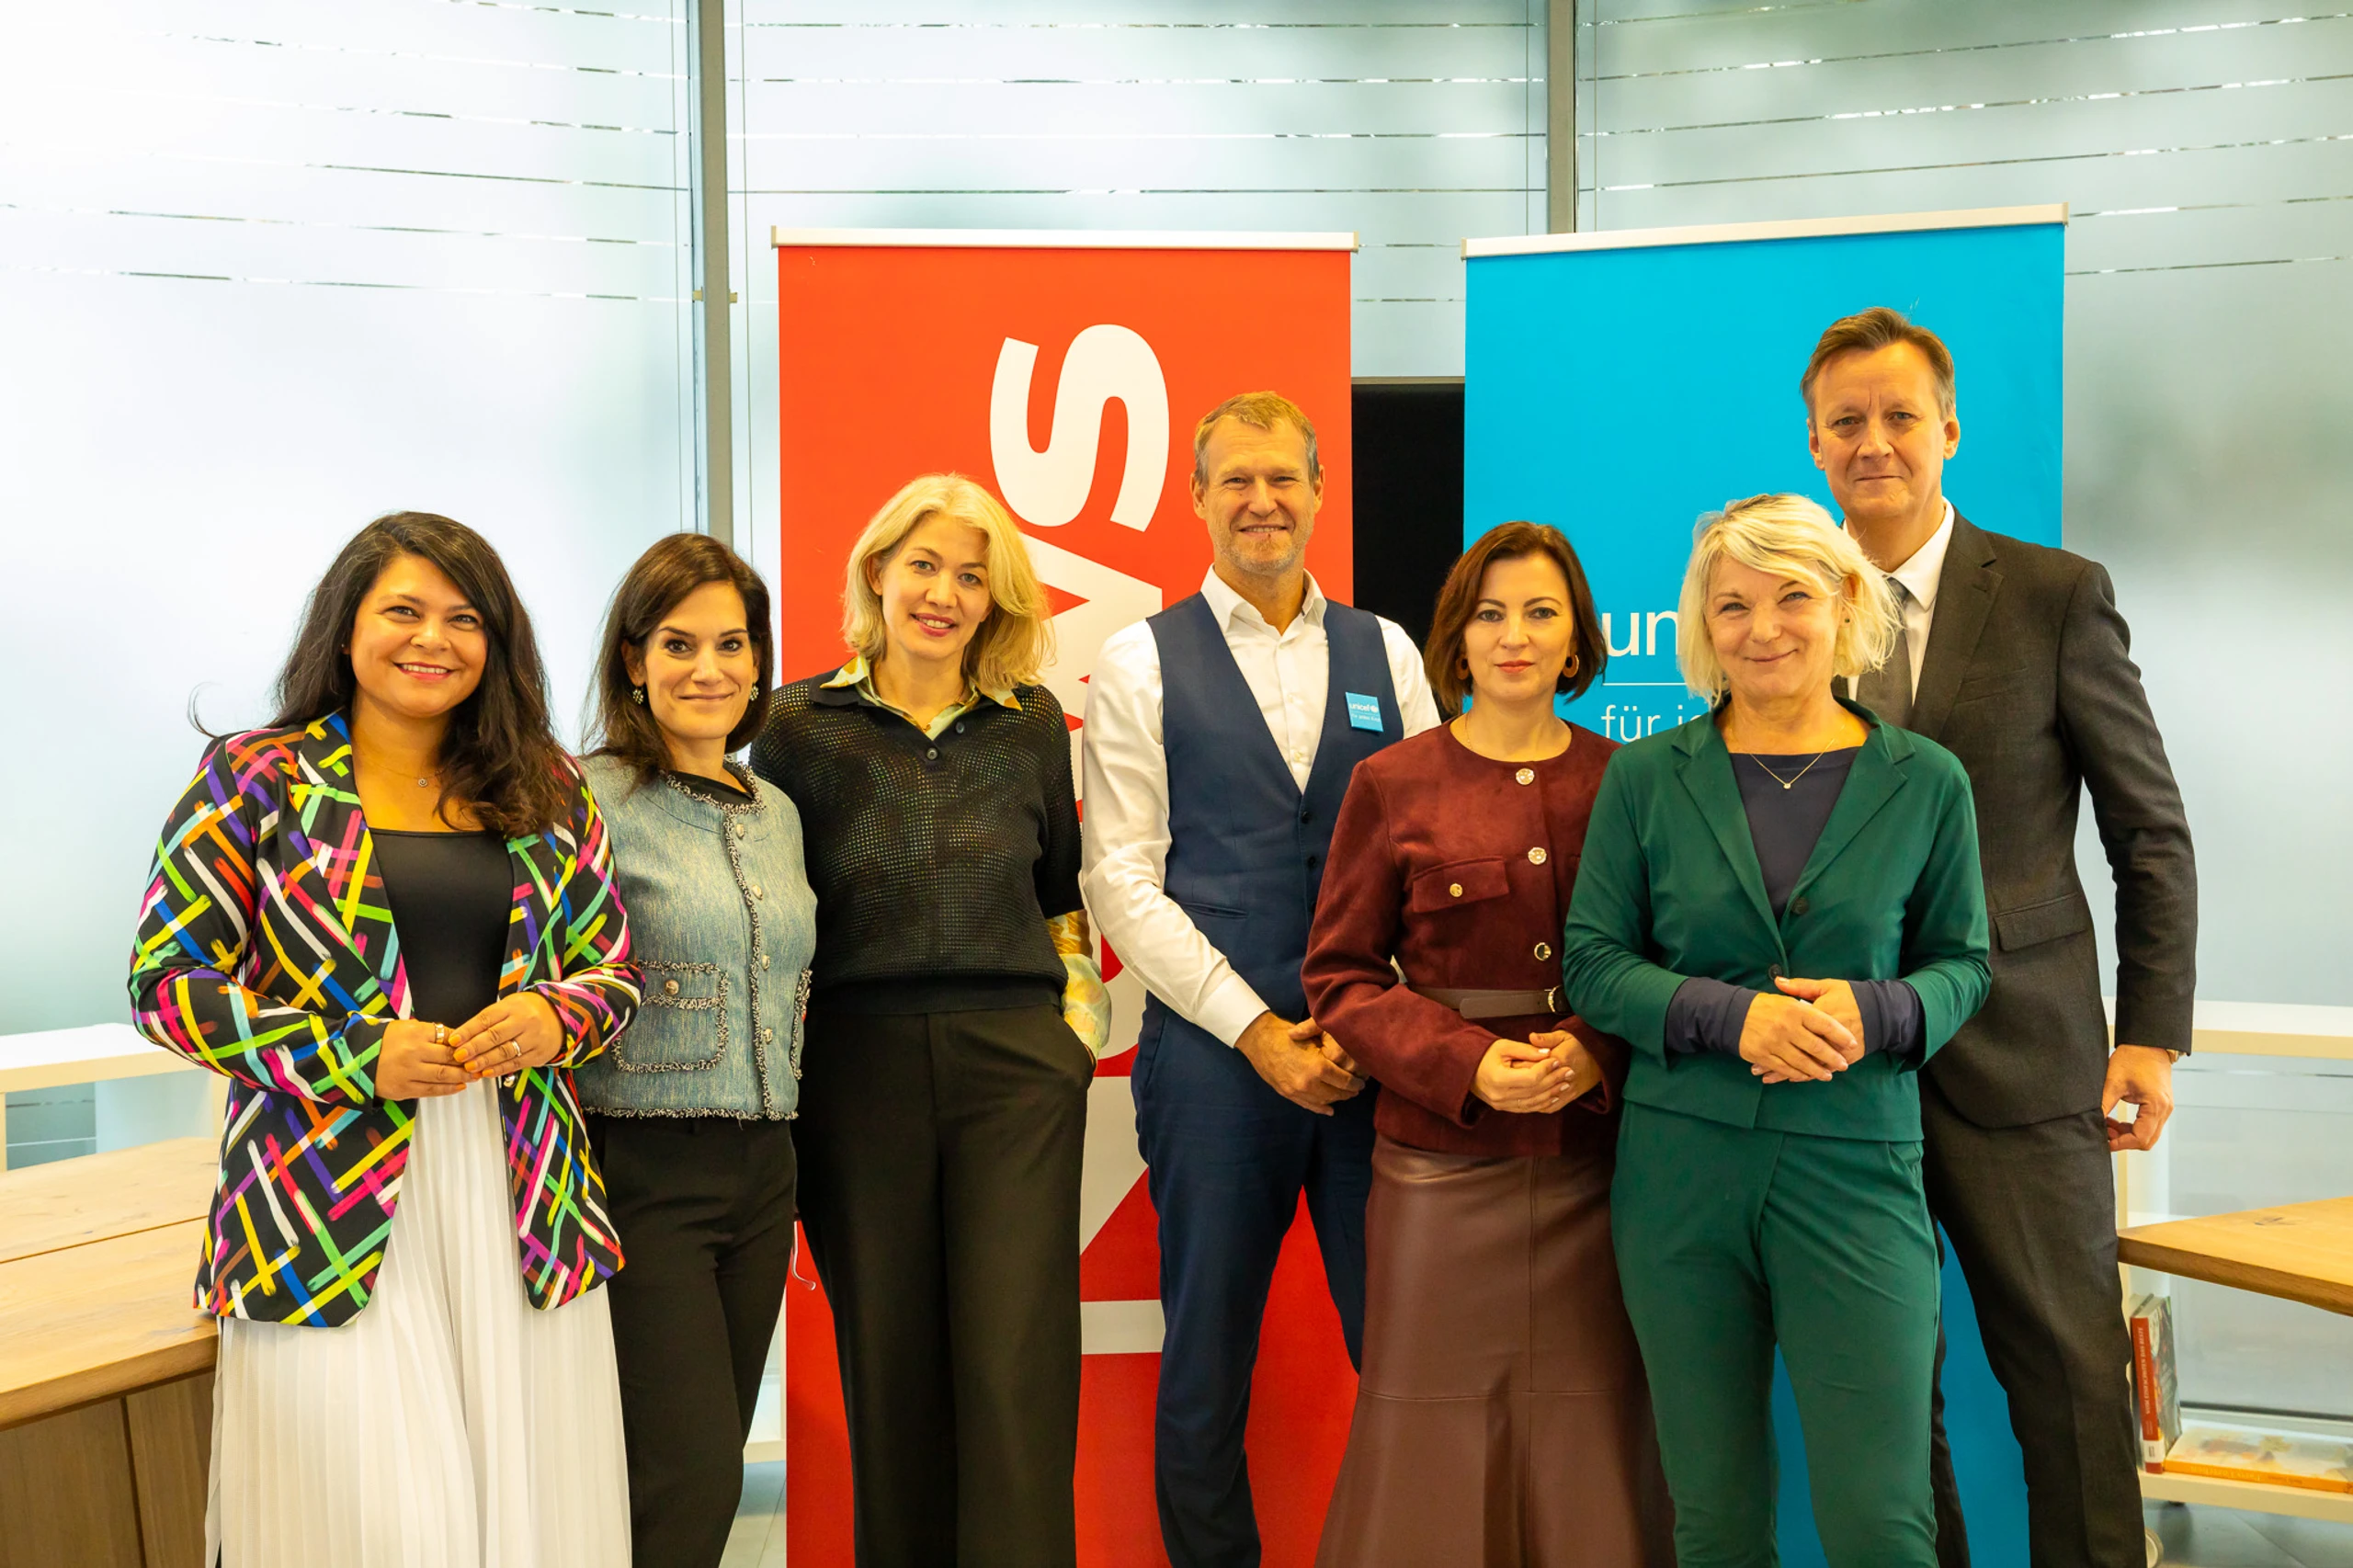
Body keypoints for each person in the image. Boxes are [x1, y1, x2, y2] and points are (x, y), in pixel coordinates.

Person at [127, 511, 641, 1568]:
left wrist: (555, 1016)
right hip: (317, 1201)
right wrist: (355, 1055)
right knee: (371, 1525)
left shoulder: (547, 783)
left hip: (522, 1193)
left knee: (534, 1514)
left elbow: (613, 970)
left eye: (464, 617)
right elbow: (166, 985)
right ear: (346, 625)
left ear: (497, 640)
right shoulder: (255, 777)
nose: (432, 638)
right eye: (402, 610)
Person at [1801, 306, 2198, 1568]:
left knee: (2072, 1384)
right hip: (1845, 1066)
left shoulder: (2052, 594)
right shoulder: (1788, 609)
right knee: (1884, 1396)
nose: (1874, 441)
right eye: (1847, 421)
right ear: (1814, 444)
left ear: (1950, 429)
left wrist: (2151, 1034)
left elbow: (2149, 830)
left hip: (2027, 1055)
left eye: (1898, 415)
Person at [1560, 494, 1992, 1568]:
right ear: (1702, 624)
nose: (1762, 628)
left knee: (1879, 1519)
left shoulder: (1926, 780)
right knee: (1711, 1516)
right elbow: (1592, 961)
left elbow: (1965, 964)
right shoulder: (1644, 777)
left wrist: (1879, 1008)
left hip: (1855, 1166)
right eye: (1732, 604)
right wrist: (1728, 1015)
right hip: (1679, 1174)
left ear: (1843, 601)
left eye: (1791, 596)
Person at [1081, 390, 1442, 1568]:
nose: (1261, 500)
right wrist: (1257, 1030)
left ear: (1320, 491)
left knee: (1407, 1350)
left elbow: (1428, 848)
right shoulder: (1140, 658)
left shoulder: (1387, 652)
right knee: (1205, 1362)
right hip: (1212, 1064)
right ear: (1197, 497)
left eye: (1282, 476)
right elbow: (1120, 879)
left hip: (1372, 1059)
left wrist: (1372, 1019)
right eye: (1234, 479)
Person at [750, 472, 1108, 1568]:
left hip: (1014, 1063)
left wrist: (1073, 1034)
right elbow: (772, 904)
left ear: (996, 598)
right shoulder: (796, 724)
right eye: (923, 565)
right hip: (856, 1070)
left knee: (1015, 1363)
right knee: (890, 1361)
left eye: (970, 575)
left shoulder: (1029, 721)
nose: (943, 593)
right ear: (877, 571)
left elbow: (1059, 895)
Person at [1302, 521, 1673, 1567]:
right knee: (1427, 1435)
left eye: (1541, 613)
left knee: (1597, 1431)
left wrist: (1596, 1049)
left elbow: (1671, 955)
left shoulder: (1632, 780)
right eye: (1491, 613)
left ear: (1577, 639)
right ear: (1457, 638)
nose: (1515, 635)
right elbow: (1339, 975)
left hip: (1601, 1169)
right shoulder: (1392, 782)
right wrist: (1464, 1063)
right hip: (1437, 1167)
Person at [573, 534, 814, 1568]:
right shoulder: (582, 797)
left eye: (731, 643)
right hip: (639, 1170)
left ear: (758, 661)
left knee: (704, 1464)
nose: (708, 668)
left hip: (764, 1172)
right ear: (634, 659)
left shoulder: (778, 812)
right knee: (689, 1472)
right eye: (678, 643)